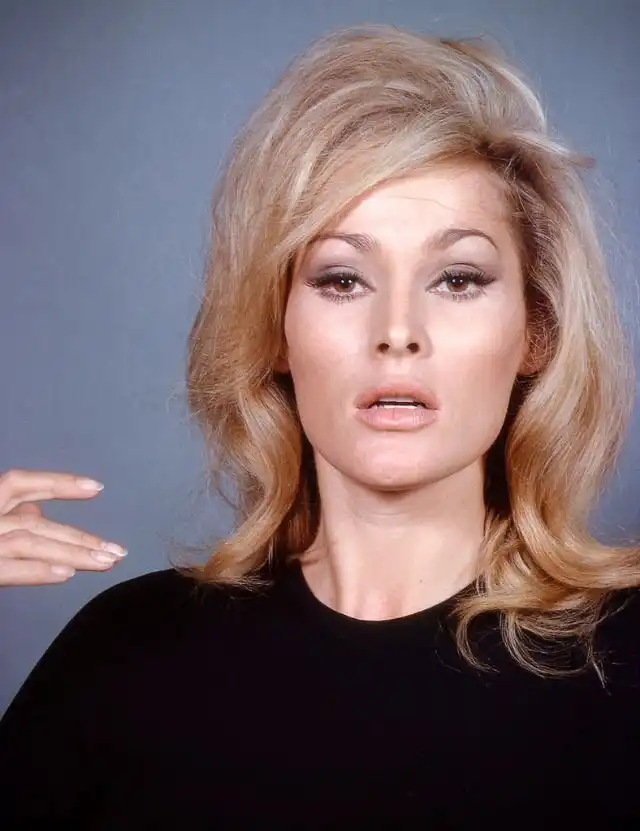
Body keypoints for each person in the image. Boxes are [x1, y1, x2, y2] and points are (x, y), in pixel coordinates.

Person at [0, 22, 639, 826]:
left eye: (457, 278)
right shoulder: (123, 654)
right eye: (342, 279)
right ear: (274, 328)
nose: (397, 330)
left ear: (535, 332)